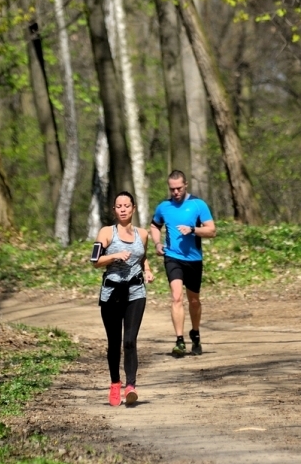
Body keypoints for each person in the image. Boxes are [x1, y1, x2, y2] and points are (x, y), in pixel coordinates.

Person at [91, 190, 153, 406]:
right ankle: (115, 383)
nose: (123, 209)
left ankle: (131, 386)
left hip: (136, 292)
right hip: (111, 293)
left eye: (127, 206)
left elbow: (142, 256)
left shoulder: (142, 234)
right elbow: (95, 260)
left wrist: (147, 269)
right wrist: (114, 255)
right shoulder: (107, 233)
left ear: (133, 208)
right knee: (114, 342)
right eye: (119, 206)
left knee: (129, 341)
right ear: (114, 210)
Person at [150, 170, 216, 357]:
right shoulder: (164, 207)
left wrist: (193, 229)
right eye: (172, 189)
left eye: (178, 188)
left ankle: (195, 333)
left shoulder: (198, 204)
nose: (175, 192)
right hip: (172, 257)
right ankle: (179, 341)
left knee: (194, 301)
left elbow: (211, 230)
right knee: (176, 297)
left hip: (194, 260)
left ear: (185, 185)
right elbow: (155, 225)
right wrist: (157, 243)